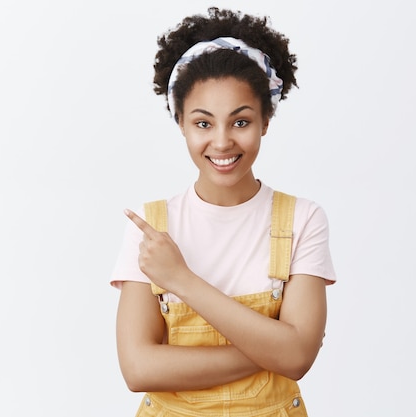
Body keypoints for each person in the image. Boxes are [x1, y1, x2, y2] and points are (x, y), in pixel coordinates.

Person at [110, 7, 336, 416]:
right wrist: (275, 350)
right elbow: (138, 368)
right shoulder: (151, 228)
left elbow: (298, 357)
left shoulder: (303, 219)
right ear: (180, 122)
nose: (222, 142)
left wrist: (181, 280)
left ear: (266, 120)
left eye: (241, 121)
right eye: (203, 123)